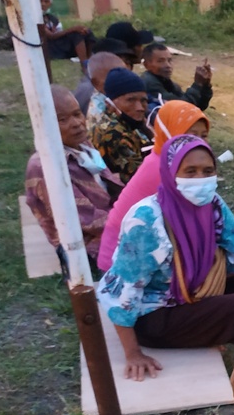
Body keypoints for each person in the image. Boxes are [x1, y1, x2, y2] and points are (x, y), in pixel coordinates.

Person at [96, 134, 234, 379]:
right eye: (190, 171)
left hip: (192, 293)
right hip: (152, 315)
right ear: (170, 173)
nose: (200, 179)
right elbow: (125, 293)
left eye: (207, 170)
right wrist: (133, 353)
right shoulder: (146, 221)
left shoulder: (212, 205)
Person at [97, 101, 209, 272]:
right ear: (170, 133)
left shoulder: (167, 160)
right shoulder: (163, 169)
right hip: (122, 262)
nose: (198, 142)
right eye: (191, 135)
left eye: (204, 135)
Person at [24, 85, 120, 265]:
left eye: (77, 114)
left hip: (111, 223)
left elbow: (111, 187)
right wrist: (129, 222)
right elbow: (87, 221)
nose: (76, 123)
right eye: (62, 120)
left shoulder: (83, 146)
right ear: (43, 124)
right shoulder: (46, 165)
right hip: (85, 246)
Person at [90, 68, 153, 184]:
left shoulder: (128, 124)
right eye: (131, 100)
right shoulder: (113, 133)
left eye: (143, 101)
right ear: (110, 104)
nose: (139, 107)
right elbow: (145, 175)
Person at [140, 42, 213, 111]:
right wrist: (197, 84)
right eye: (160, 61)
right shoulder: (149, 82)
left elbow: (197, 107)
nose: (168, 65)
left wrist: (205, 85)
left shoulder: (165, 81)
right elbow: (181, 108)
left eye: (169, 60)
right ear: (146, 65)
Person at [38, 0, 93, 68]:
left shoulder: (52, 18)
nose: (43, 4)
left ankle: (90, 62)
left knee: (86, 32)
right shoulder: (34, 17)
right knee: (75, 34)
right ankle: (84, 66)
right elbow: (51, 36)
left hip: (57, 45)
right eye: (40, 1)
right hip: (46, 48)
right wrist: (73, 29)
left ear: (50, 4)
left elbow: (59, 34)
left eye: (46, 1)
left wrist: (79, 29)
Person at [74, 51, 126, 127]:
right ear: (96, 83)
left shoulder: (113, 97)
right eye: (115, 80)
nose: (122, 84)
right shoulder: (98, 108)